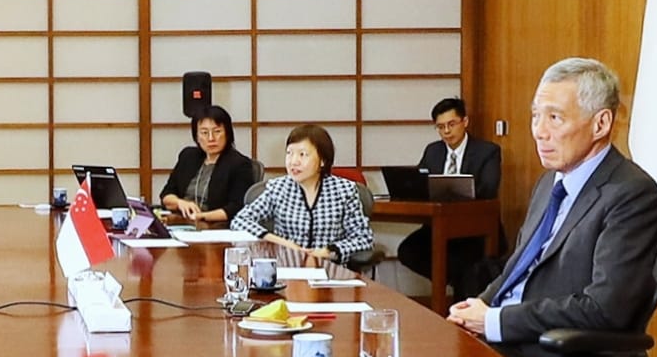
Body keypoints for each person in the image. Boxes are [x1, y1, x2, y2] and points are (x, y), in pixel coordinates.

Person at [447, 58, 657, 357]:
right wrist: (476, 309)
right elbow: (517, 269)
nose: (539, 132)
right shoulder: (551, 181)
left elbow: (605, 308)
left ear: (600, 124)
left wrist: (498, 321)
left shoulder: (631, 195)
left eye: (555, 118)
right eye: (536, 116)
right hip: (515, 340)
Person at [390, 93, 503, 286]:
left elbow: (488, 190)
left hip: (473, 228)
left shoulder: (487, 151)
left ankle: (459, 286)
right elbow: (420, 184)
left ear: (464, 121)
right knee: (408, 251)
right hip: (437, 225)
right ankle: (457, 281)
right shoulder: (433, 151)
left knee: (466, 262)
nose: (446, 131)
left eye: (452, 124)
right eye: (440, 127)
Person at [227, 124, 376, 267]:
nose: (293, 162)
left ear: (322, 160)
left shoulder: (344, 191)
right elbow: (240, 221)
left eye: (303, 155)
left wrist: (328, 251)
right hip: (286, 270)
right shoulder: (278, 188)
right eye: (289, 153)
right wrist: (280, 241)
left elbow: (363, 238)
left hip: (330, 272)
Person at [155, 108, 260, 224]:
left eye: (217, 131)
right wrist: (180, 203)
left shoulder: (239, 164)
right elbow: (166, 194)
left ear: (228, 133)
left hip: (214, 226)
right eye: (204, 133)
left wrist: (200, 216)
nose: (211, 138)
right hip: (180, 223)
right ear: (196, 136)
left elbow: (236, 208)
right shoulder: (188, 156)